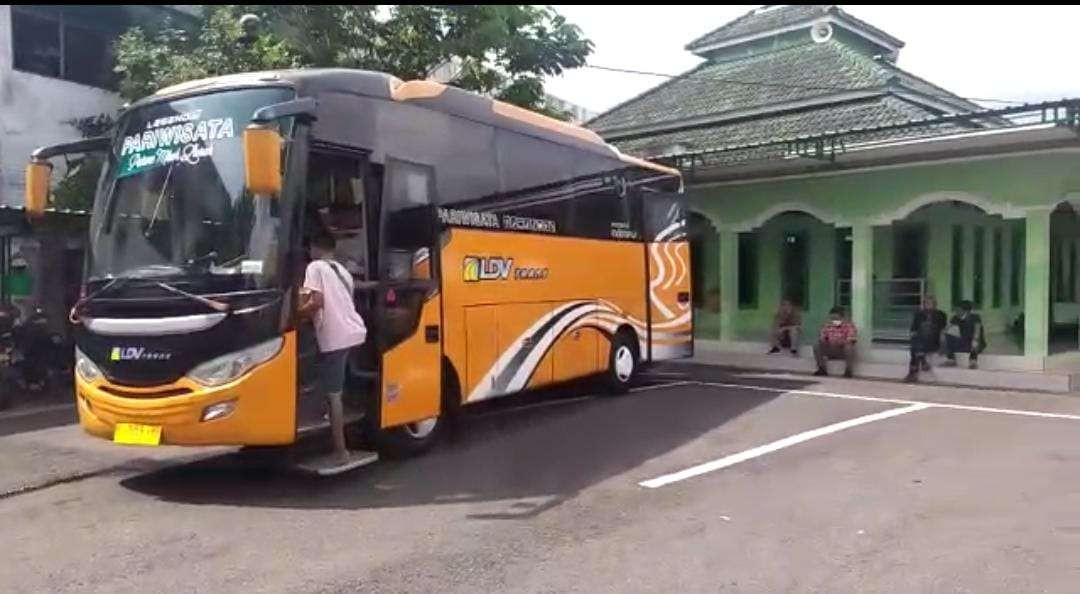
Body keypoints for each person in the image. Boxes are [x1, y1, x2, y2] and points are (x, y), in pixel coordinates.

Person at [297, 234, 370, 467]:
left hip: (334, 337)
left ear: (316, 248)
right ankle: (324, 414)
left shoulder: (315, 267)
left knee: (334, 396)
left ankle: (341, 452)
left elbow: (317, 301)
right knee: (330, 382)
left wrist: (296, 314)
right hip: (354, 333)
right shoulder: (343, 271)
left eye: (310, 247)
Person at [904, 296, 947, 383]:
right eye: (925, 303)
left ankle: (914, 371)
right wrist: (913, 336)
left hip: (934, 339)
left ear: (934, 305)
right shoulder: (919, 314)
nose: (927, 305)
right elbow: (913, 329)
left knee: (916, 347)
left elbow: (942, 329)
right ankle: (920, 364)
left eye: (929, 303)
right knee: (915, 347)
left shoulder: (941, 314)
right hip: (921, 340)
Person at [813, 306, 857, 378]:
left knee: (849, 347)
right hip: (830, 349)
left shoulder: (849, 326)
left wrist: (840, 342)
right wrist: (826, 341)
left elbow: (851, 339)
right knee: (817, 345)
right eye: (832, 318)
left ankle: (848, 371)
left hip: (842, 350)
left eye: (836, 318)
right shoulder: (827, 325)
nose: (834, 321)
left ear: (842, 317)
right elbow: (822, 337)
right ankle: (821, 369)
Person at [943, 300, 986, 369]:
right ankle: (951, 359)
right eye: (956, 310)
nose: (956, 311)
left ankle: (973, 361)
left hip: (974, 341)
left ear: (965, 311)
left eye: (958, 310)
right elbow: (947, 328)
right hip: (963, 341)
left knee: (975, 338)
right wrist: (943, 334)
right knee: (949, 334)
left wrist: (975, 340)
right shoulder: (955, 318)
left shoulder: (975, 317)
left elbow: (977, 330)